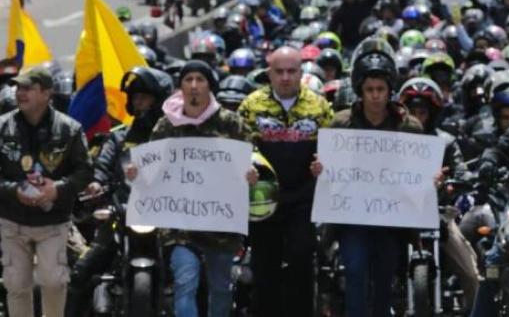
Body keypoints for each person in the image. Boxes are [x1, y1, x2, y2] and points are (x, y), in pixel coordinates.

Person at [311, 39, 441, 317]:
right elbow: (330, 171)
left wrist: (430, 178)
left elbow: (417, 172)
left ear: (389, 90)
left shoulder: (409, 127)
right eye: (369, 89)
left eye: (380, 89)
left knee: (384, 280)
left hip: (392, 220)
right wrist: (321, 171)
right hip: (351, 219)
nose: (375, 95)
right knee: (355, 273)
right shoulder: (340, 124)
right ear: (359, 90)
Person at [126, 60, 257, 317]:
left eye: (200, 80)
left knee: (220, 290)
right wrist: (137, 173)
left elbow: (252, 159)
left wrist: (251, 173)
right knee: (186, 283)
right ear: (181, 87)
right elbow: (150, 171)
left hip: (221, 224)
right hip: (180, 226)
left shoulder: (232, 124)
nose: (194, 86)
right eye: (188, 80)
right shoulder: (166, 126)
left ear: (210, 85)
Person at [65, 67, 173, 317]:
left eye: (145, 98)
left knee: (194, 269)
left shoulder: (175, 139)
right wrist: (95, 184)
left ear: (160, 101)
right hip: (121, 215)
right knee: (82, 272)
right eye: (135, 98)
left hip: (168, 220)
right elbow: (102, 167)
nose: (140, 103)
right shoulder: (118, 138)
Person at [237, 46, 334, 317]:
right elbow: (238, 148)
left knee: (302, 261)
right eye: (279, 72)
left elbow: (332, 150)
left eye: (291, 71)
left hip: (303, 198)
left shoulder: (319, 105)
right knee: (264, 268)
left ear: (300, 73)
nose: (285, 77)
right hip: (263, 198)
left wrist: (323, 165)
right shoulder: (251, 105)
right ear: (269, 73)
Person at [0, 66, 92, 317]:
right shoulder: (2, 127)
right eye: (18, 87)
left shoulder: (69, 129)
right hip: (12, 222)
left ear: (46, 93)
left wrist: (58, 189)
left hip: (53, 223)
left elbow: (85, 171)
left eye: (27, 88)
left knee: (54, 282)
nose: (20, 93)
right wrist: (12, 190)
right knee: (16, 286)